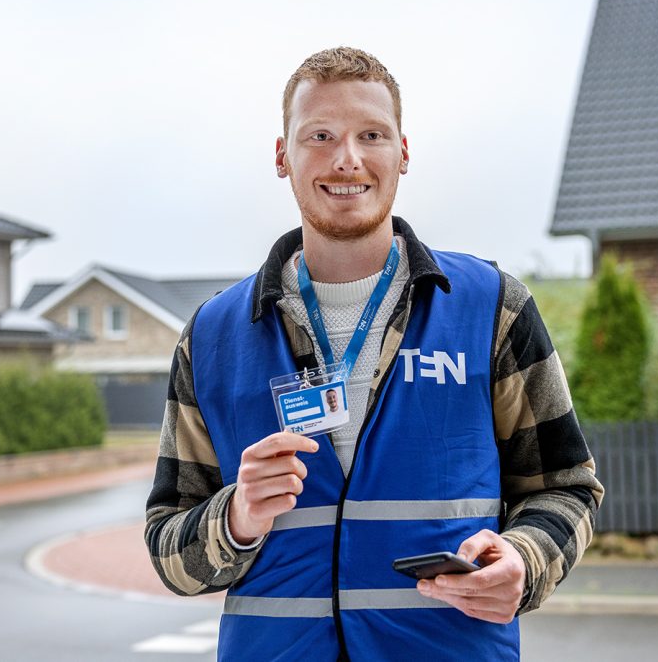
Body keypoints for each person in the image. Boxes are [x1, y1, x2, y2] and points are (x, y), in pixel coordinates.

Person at [145, 47, 603, 661]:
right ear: (283, 155)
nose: (348, 159)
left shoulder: (493, 307)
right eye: (320, 135)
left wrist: (524, 560)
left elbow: (567, 488)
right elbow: (168, 551)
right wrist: (235, 519)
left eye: (371, 135)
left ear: (403, 153)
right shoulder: (211, 337)